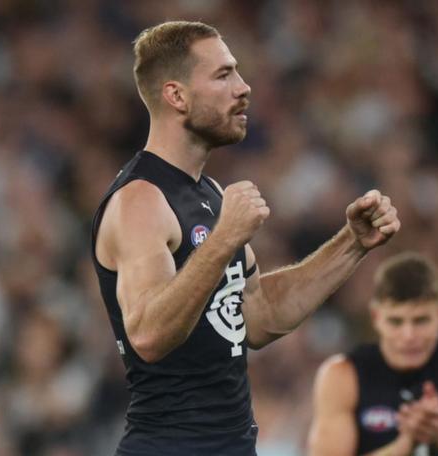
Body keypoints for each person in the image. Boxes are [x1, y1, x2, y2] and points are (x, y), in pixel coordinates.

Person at [90, 21, 400, 456]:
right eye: (223, 75)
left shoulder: (207, 193)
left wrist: (351, 243)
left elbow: (261, 314)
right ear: (176, 96)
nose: (243, 87)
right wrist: (222, 240)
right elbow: (147, 335)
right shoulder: (141, 200)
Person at [308, 253, 438, 456]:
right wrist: (405, 445)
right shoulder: (342, 376)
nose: (408, 335)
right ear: (376, 318)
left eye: (421, 320)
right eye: (396, 321)